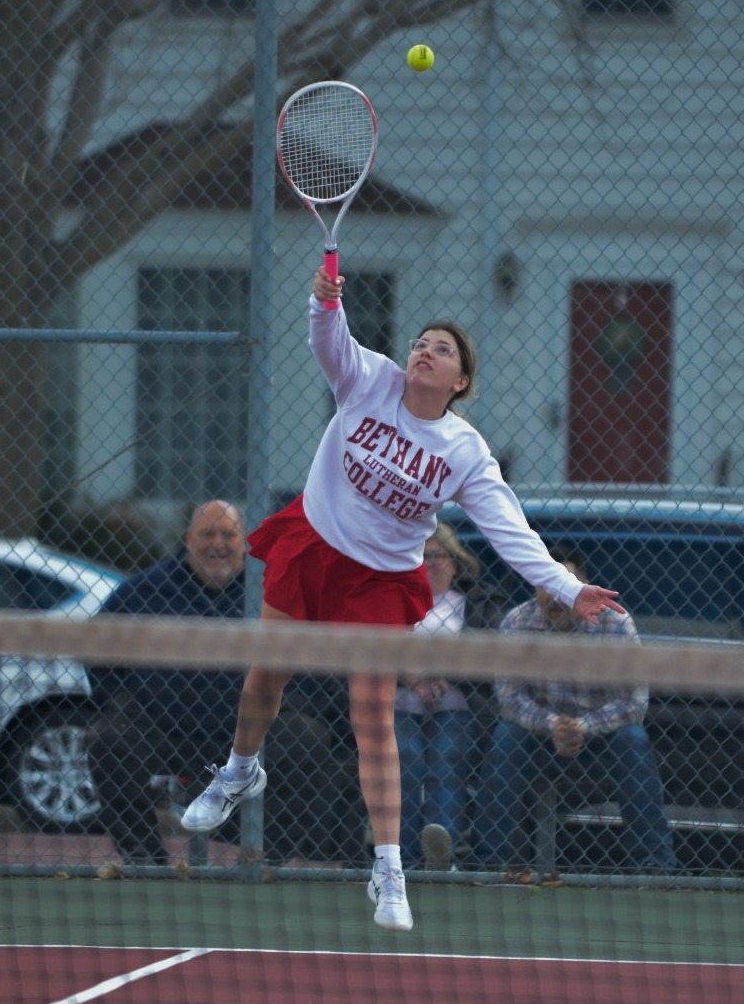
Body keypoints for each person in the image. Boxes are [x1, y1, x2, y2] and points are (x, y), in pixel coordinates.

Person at [180, 268, 626, 932]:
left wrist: (566, 586)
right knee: (265, 675)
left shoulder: (464, 452)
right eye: (421, 342)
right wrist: (323, 300)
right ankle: (240, 770)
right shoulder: (370, 380)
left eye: (442, 350)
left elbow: (508, 529)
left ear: (460, 382)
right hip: (314, 543)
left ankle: (388, 868)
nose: (425, 350)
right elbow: (329, 341)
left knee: (370, 714)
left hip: (379, 582)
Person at [85, 500, 347, 865]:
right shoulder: (146, 590)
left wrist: (297, 700)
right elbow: (97, 645)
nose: (218, 544)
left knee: (309, 739)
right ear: (189, 539)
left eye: (228, 534)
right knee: (106, 739)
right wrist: (118, 699)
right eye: (207, 534)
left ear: (245, 542)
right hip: (164, 731)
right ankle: (146, 859)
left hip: (250, 736)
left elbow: (316, 656)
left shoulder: (274, 587)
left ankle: (264, 860)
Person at [470, 545, 677, 876]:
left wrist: (582, 727)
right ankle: (487, 863)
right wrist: (554, 724)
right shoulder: (516, 623)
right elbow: (510, 699)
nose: (554, 597)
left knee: (633, 739)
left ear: (584, 587)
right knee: (505, 737)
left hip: (601, 738)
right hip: (539, 736)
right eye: (545, 585)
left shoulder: (615, 621)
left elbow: (633, 702)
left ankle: (654, 865)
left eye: (564, 585)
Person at [395, 524, 483, 871]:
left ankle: (440, 852)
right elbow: (384, 649)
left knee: (446, 760)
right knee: (407, 759)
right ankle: (404, 857)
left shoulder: (472, 603)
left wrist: (448, 676)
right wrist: (413, 679)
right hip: (403, 700)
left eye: (438, 556)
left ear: (455, 564)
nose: (430, 563)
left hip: (454, 703)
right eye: (422, 556)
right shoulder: (397, 600)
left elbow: (481, 651)